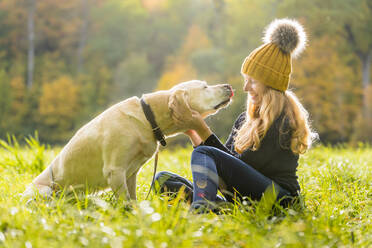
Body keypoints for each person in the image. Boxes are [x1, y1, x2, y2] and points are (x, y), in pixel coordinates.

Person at [153, 18, 316, 212]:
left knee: (203, 153)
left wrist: (202, 128)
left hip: (280, 201)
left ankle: (201, 210)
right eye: (245, 80)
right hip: (247, 200)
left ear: (270, 84)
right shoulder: (246, 119)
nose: (246, 88)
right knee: (162, 179)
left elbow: (231, 171)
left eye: (253, 82)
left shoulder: (282, 122)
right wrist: (192, 132)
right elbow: (224, 162)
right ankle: (216, 208)